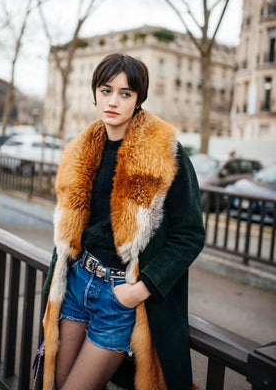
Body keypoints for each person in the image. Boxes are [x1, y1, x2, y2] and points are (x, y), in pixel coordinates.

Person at [42, 53, 205, 390]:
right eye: (106, 90)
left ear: (138, 99)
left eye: (125, 93)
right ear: (95, 93)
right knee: (56, 383)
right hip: (77, 283)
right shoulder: (82, 148)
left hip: (119, 295)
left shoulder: (164, 152)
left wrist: (138, 290)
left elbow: (189, 234)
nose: (113, 101)